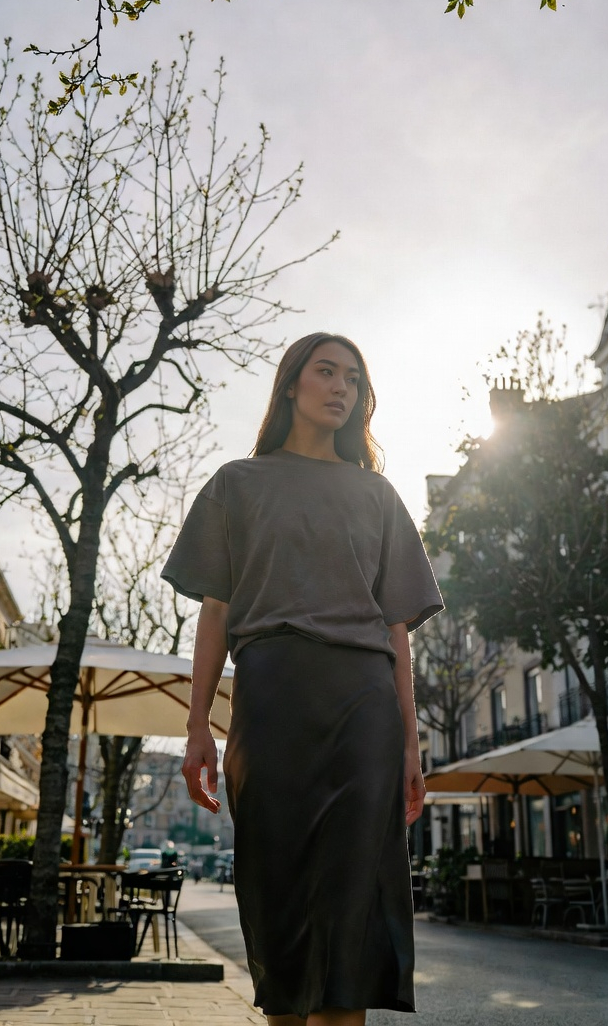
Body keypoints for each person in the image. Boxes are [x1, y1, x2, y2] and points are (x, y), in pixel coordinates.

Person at [162, 332, 443, 1026]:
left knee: (351, 921)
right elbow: (217, 612)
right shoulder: (238, 483)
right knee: (279, 910)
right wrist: (198, 727)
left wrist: (410, 745)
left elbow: (396, 631)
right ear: (291, 384)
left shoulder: (377, 495)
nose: (341, 387)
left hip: (364, 708)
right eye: (326, 372)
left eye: (353, 377)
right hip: (271, 699)